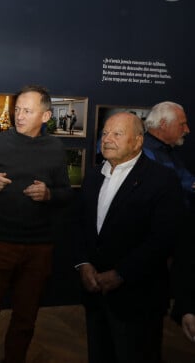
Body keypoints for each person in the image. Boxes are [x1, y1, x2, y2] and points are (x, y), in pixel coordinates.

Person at [0, 84, 72, 363]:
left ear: (45, 117)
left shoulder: (55, 148)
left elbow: (66, 193)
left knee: (25, 323)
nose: (19, 116)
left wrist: (49, 194)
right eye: (17, 109)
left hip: (38, 249)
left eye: (27, 111)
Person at [74, 112, 185, 363]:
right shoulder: (93, 175)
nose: (107, 139)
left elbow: (163, 238)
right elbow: (79, 225)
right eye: (105, 133)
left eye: (117, 134)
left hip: (138, 300)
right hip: (95, 295)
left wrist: (121, 273)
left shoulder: (162, 180)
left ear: (137, 142)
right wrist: (83, 264)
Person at [143, 101, 194, 209]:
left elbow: (187, 180)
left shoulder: (169, 150)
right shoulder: (143, 152)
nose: (187, 130)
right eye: (182, 124)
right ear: (163, 124)